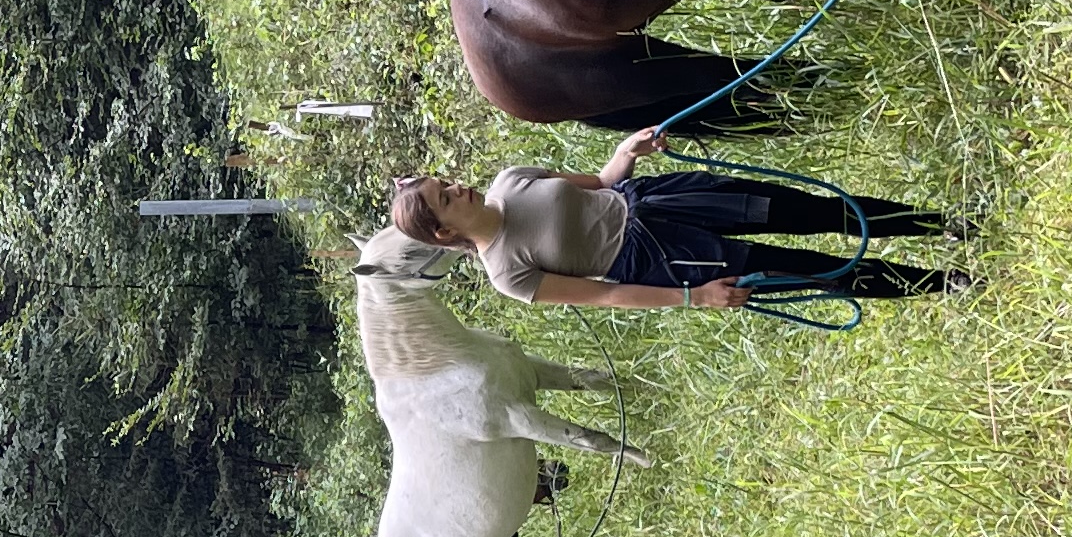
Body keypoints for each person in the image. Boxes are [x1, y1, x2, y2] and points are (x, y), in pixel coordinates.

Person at [385, 130, 951, 308]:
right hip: (653, 258)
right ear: (444, 232)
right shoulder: (507, 274)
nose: (458, 185)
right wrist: (696, 297)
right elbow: (607, 295)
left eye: (446, 180)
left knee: (808, 210)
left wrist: (625, 154)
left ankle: (940, 225)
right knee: (806, 272)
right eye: (446, 196)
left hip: (655, 199)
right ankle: (943, 283)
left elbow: (602, 182)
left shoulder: (512, 179)